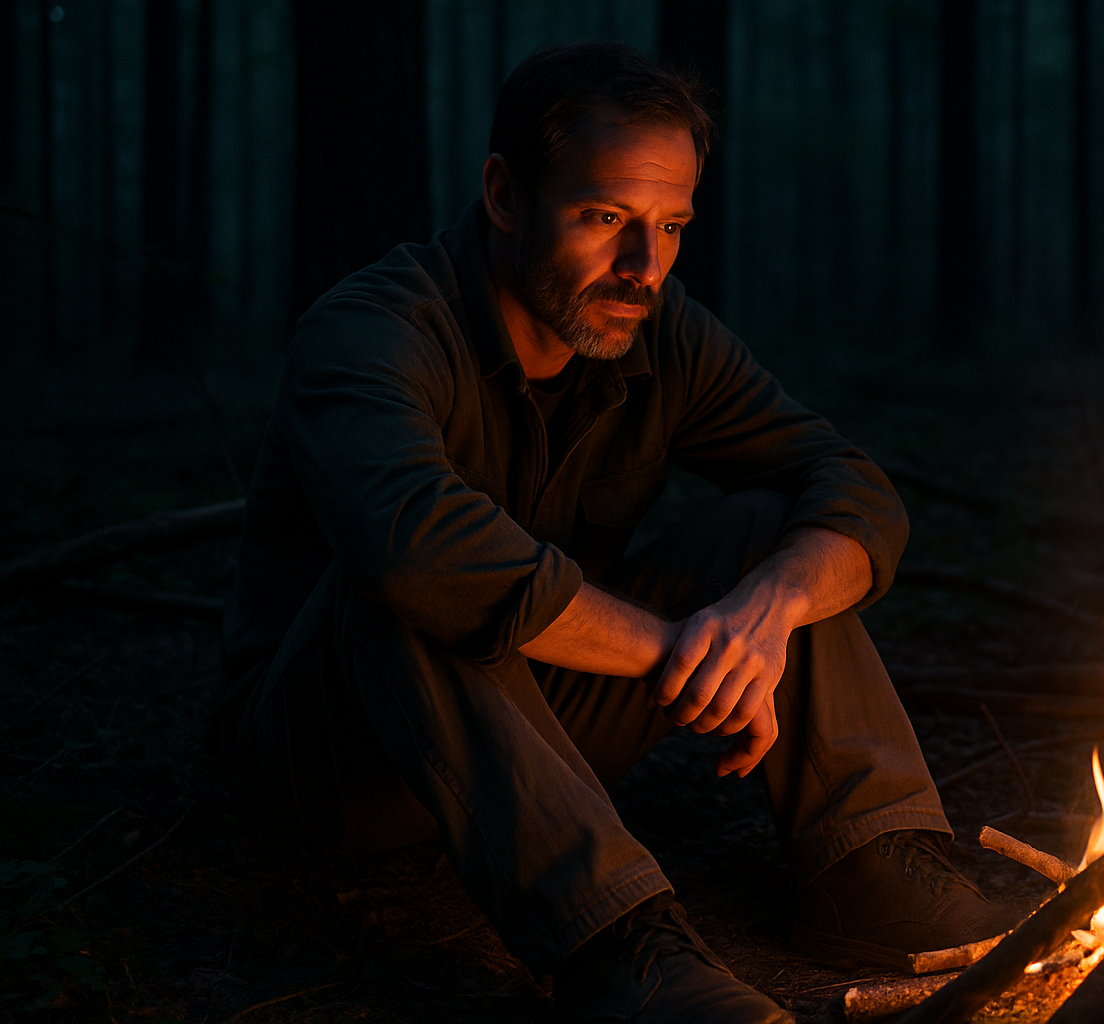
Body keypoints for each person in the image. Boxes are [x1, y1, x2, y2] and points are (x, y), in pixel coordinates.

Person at [211, 42, 1015, 1024]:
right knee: (406, 578)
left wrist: (764, 613)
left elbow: (849, 485)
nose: (644, 267)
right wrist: (682, 650)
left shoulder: (660, 331)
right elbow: (413, 544)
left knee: (770, 532)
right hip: (338, 756)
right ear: (505, 196)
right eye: (604, 218)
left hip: (537, 723)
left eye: (670, 226)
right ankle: (619, 947)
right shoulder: (374, 329)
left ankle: (869, 865)